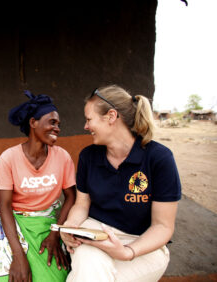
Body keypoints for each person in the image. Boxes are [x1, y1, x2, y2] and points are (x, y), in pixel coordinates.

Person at [60, 85, 181, 282]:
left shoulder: (158, 158)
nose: (85, 126)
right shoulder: (88, 157)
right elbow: (82, 204)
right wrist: (70, 227)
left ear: (111, 116)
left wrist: (127, 252)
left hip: (143, 245)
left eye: (89, 119)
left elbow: (163, 227)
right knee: (89, 272)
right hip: (96, 234)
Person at [0, 90, 76, 282]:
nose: (57, 128)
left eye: (58, 124)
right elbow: (5, 207)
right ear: (33, 123)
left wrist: (56, 232)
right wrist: (18, 254)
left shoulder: (62, 157)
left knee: (52, 276)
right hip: (12, 222)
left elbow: (71, 197)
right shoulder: (9, 158)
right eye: (52, 122)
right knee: (3, 277)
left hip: (45, 223)